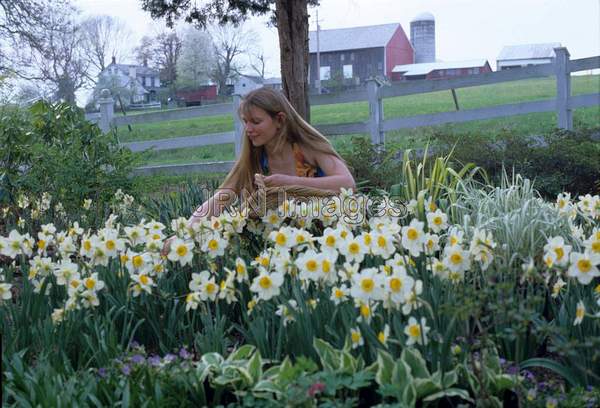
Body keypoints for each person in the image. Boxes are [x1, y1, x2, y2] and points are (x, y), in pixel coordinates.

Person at [162, 87, 355, 254]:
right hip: (274, 247)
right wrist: (185, 232)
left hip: (325, 241)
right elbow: (222, 197)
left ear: (279, 120)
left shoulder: (306, 148)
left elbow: (347, 183)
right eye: (245, 121)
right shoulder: (253, 158)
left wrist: (288, 183)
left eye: (255, 121)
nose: (248, 128)